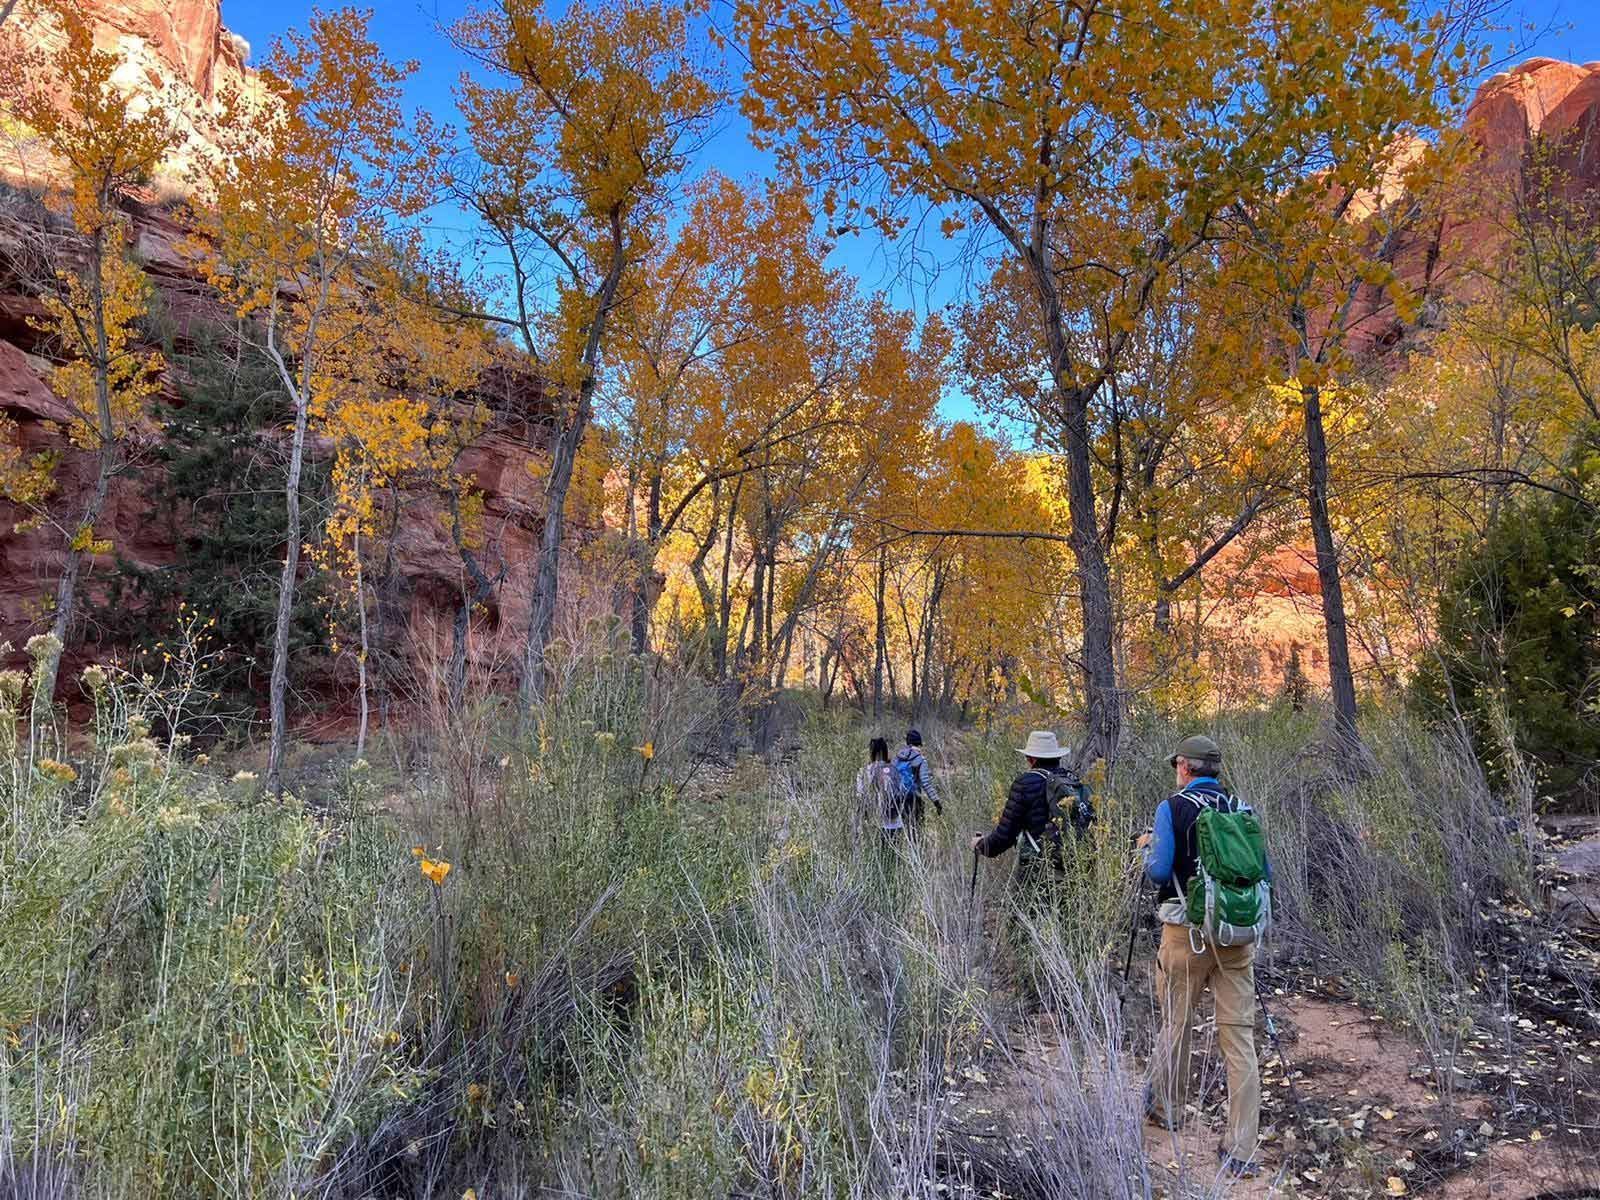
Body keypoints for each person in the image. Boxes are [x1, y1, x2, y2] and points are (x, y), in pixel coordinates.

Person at [1137, 734, 1265, 1178]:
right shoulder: (1241, 810)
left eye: (1178, 764)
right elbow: (1262, 873)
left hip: (1184, 936)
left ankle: (1169, 1110)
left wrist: (1145, 847)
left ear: (1185, 768)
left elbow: (1157, 869)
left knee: (1177, 1022)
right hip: (1236, 938)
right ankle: (1243, 1146)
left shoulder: (1171, 809)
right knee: (1239, 1041)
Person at [970, 729, 1075, 906]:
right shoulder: (1071, 780)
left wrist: (981, 846)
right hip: (1072, 866)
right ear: (1057, 756)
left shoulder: (1025, 783)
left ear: (1031, 759)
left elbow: (1005, 836)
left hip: (1037, 868)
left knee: (1024, 924)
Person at [893, 729, 942, 831]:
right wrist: (936, 802)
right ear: (919, 743)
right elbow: (926, 783)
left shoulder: (897, 758)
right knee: (916, 833)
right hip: (914, 800)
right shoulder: (920, 760)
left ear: (907, 742)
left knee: (900, 832)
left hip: (897, 799)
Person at [855, 737, 903, 839]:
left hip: (874, 823)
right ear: (885, 751)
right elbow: (901, 792)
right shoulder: (895, 770)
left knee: (877, 853)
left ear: (871, 752)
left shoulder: (864, 771)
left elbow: (860, 796)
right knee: (893, 854)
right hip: (895, 821)